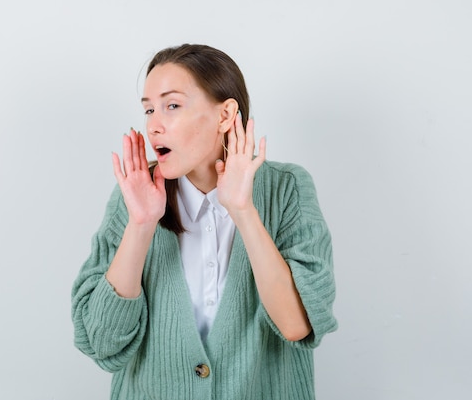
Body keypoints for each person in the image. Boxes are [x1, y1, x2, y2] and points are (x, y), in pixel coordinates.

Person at [71, 44, 337, 400]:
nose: (153, 126)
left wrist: (243, 210)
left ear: (226, 115)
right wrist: (141, 224)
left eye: (172, 106)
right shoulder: (133, 195)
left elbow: (296, 326)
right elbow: (102, 343)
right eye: (149, 109)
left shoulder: (286, 188)